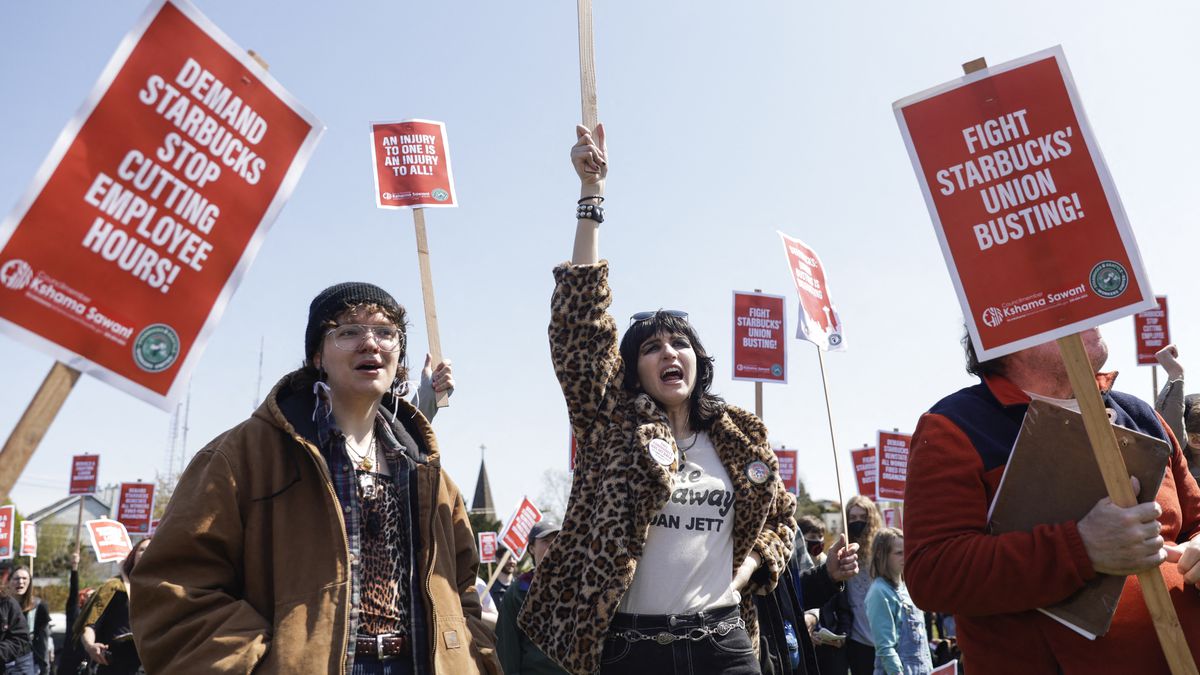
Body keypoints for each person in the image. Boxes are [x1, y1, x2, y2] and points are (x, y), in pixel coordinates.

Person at [519, 124, 850, 675]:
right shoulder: (611, 424)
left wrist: (742, 574)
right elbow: (579, 328)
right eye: (651, 347)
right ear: (630, 369)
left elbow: (780, 520)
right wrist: (590, 197)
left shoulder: (740, 434)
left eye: (681, 343)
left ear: (699, 360)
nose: (669, 352)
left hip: (724, 643)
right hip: (632, 649)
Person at [130, 282, 498, 674]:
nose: (370, 343)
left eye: (386, 332)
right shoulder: (241, 457)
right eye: (348, 331)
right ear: (317, 355)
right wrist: (266, 663)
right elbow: (174, 586)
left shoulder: (427, 472)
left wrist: (470, 657)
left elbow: (462, 590)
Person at [905, 327, 1200, 672]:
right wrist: (1081, 548)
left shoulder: (1141, 414)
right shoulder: (957, 426)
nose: (1086, 314)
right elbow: (934, 573)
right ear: (1003, 336)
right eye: (1058, 305)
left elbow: (1195, 521)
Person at [496, 520, 568, 675]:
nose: (553, 545)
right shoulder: (517, 592)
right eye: (546, 541)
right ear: (532, 548)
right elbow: (508, 648)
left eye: (557, 539)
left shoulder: (580, 586)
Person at [863, 529, 931, 675]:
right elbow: (885, 647)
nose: (905, 557)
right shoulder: (879, 592)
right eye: (899, 553)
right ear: (882, 555)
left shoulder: (907, 588)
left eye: (906, 551)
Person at [80, 538, 149, 675]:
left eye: (151, 550)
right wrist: (90, 646)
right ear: (133, 556)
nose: (147, 553)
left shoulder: (165, 592)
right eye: (142, 549)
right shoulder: (115, 588)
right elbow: (90, 624)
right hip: (114, 665)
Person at [9, 566, 50, 674]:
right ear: (9, 581)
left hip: (29, 662)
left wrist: (45, 667)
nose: (20, 582)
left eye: (24, 578)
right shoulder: (3, 605)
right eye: (16, 579)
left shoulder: (39, 606)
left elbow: (43, 640)